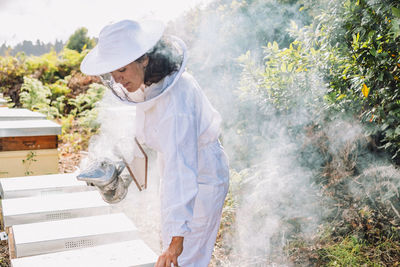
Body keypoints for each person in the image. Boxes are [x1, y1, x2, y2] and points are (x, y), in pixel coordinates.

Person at [80, 19, 229, 267]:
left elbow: (182, 172)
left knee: (185, 257)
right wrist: (121, 171)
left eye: (122, 70)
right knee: (172, 247)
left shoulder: (177, 103)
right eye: (112, 73)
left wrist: (176, 240)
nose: (117, 80)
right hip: (179, 171)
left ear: (144, 58)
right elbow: (149, 138)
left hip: (202, 177)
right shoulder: (150, 84)